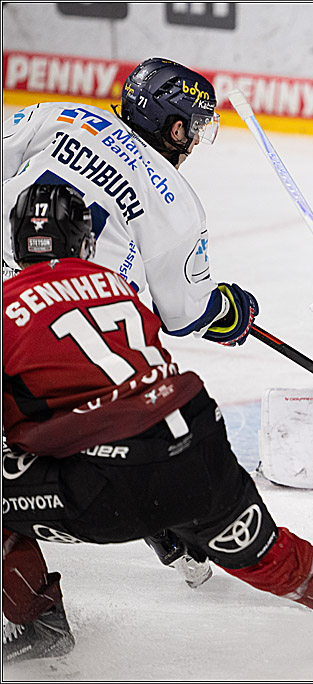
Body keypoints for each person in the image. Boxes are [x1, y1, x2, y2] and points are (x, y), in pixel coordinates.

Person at [1, 183, 313, 668]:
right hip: (195, 442)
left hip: (110, 481)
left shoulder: (6, 302)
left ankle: (37, 623)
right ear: (85, 242)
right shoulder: (115, 286)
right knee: (269, 556)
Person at [2, 57, 260, 585]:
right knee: (112, 419)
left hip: (11, 303)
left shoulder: (62, 115)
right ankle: (176, 525)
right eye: (195, 130)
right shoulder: (172, 197)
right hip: (66, 327)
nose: (192, 146)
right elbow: (184, 312)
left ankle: (32, 612)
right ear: (176, 126)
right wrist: (230, 310)